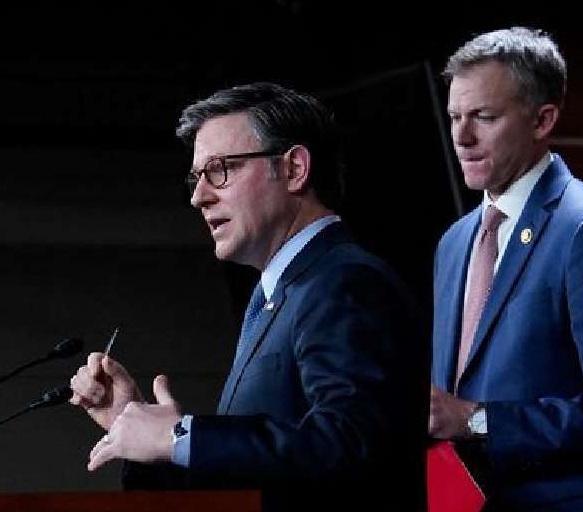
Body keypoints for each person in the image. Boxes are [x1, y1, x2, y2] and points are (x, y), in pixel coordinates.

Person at [68, 82, 426, 511]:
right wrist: (140, 427)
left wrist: (183, 437)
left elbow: (351, 445)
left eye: (221, 169)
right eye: (196, 177)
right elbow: (255, 485)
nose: (200, 196)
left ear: (294, 169)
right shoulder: (274, 296)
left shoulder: (344, 281)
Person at [427, 27, 583, 512]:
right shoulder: (454, 241)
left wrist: (477, 419)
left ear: (542, 120)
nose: (461, 136)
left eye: (484, 117)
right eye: (455, 116)